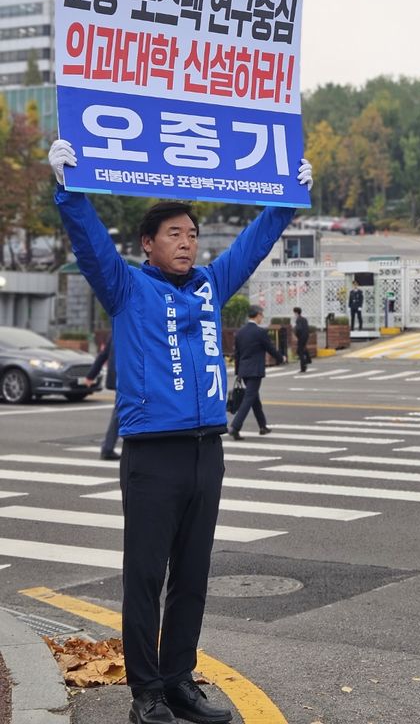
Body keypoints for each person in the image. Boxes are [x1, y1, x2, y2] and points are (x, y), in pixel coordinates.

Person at [48, 138, 312, 724]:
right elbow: (90, 246)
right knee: (145, 579)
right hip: (152, 456)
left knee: (192, 577)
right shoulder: (125, 288)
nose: (187, 241)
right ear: (149, 243)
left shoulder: (209, 286)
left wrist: (288, 199)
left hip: (205, 450)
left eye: (191, 233)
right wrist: (69, 191)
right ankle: (145, 694)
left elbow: (253, 245)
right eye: (174, 233)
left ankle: (178, 682)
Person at [228, 306, 284, 439]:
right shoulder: (260, 332)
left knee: (254, 398)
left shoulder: (240, 332)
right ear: (258, 315)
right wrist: (281, 358)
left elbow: (237, 354)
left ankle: (262, 426)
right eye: (262, 315)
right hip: (255, 371)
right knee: (249, 399)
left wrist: (238, 372)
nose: (262, 318)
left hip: (244, 370)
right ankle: (235, 427)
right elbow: (270, 348)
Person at [85, 337, 120, 459]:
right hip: (126, 379)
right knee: (119, 413)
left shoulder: (116, 331)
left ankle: (108, 448)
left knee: (120, 413)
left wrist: (91, 375)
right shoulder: (133, 329)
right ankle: (107, 448)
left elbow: (103, 354)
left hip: (121, 379)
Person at [292, 305, 311, 373]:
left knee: (300, 352)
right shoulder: (304, 319)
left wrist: (296, 335)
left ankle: (303, 366)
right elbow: (307, 328)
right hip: (305, 336)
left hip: (301, 337)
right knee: (303, 349)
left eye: (294, 313)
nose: (294, 314)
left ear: (296, 313)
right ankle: (308, 359)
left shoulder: (298, 320)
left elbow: (299, 329)